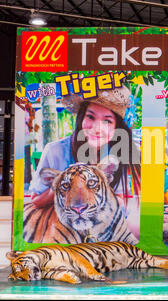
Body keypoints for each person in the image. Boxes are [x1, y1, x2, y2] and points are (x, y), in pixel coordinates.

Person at [28, 86, 141, 217]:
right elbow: (35, 201)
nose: (97, 128)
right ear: (81, 118)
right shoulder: (55, 151)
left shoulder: (116, 154)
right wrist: (62, 184)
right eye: (91, 117)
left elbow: (120, 198)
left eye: (107, 121)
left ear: (117, 127)